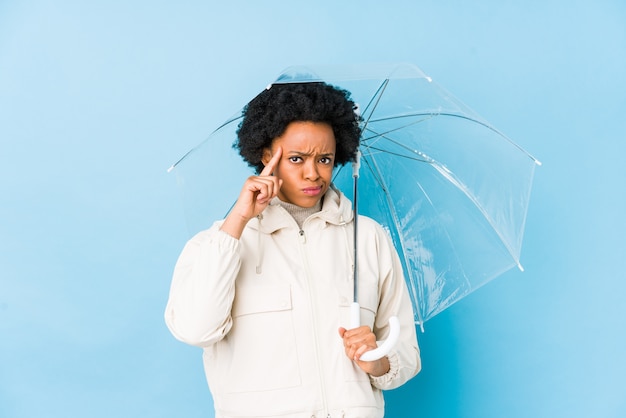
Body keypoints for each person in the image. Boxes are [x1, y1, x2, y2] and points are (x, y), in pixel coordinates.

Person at [165, 81, 421, 418]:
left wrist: (376, 360)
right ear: (267, 156)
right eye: (297, 158)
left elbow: (406, 356)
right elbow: (194, 328)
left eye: (325, 159)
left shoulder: (368, 238)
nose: (313, 174)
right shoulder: (220, 243)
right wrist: (238, 221)